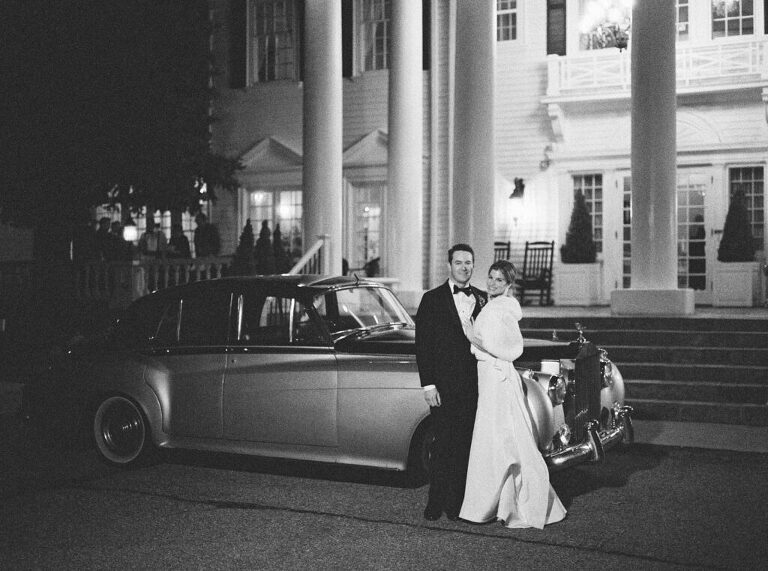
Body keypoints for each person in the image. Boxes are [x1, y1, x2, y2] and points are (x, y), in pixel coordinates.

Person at [459, 260, 566, 529]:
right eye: (491, 277)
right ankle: (500, 502)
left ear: (509, 285)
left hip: (496, 378)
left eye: (499, 280)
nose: (493, 283)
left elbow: (510, 348)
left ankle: (502, 504)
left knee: (501, 438)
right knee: (496, 439)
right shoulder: (494, 306)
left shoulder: (502, 308)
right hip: (488, 376)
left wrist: (472, 337)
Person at [415, 243, 487, 521]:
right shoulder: (431, 299)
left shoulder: (482, 298)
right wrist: (428, 385)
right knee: (442, 444)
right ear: (449, 266)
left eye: (469, 262)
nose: (464, 267)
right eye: (459, 263)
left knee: (465, 446)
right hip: (442, 388)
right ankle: (435, 501)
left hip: (473, 386)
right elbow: (423, 346)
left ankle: (456, 503)